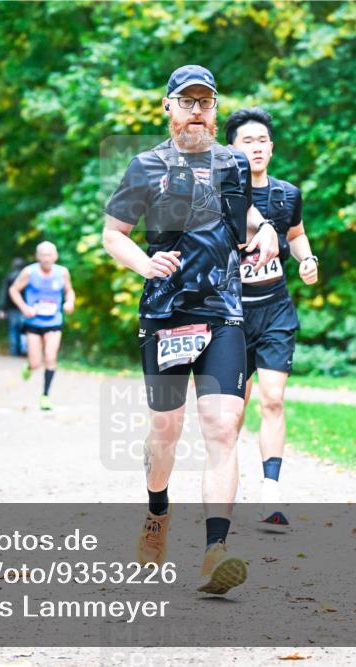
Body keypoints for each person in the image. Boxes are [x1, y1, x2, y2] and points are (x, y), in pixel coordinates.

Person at [102, 64, 279, 595]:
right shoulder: (146, 165)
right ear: (168, 107)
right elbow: (115, 235)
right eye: (187, 102)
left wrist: (266, 226)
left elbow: (242, 218)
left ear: (215, 109)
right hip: (165, 314)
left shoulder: (233, 164)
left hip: (224, 311)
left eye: (205, 102)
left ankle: (214, 552)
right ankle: (157, 512)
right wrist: (143, 264)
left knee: (223, 428)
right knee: (165, 432)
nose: (196, 111)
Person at [225, 107, 319, 532]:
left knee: (273, 399)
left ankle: (271, 491)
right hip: (230, 314)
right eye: (247, 141)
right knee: (232, 411)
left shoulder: (286, 194)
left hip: (276, 309)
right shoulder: (222, 194)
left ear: (272, 148)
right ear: (232, 148)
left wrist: (307, 258)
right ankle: (227, 483)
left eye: (262, 141)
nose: (256, 148)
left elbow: (296, 236)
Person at [8, 242, 75, 411]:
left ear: (55, 256)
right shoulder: (29, 272)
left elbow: (69, 290)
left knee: (51, 357)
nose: (47, 258)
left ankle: (45, 396)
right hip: (34, 323)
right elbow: (13, 290)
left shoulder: (62, 272)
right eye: (43, 255)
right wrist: (25, 308)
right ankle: (30, 367)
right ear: (38, 257)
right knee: (36, 363)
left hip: (54, 322)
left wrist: (70, 302)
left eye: (50, 254)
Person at [0, 257, 28, 356]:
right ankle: (24, 349)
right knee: (24, 329)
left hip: (12, 308)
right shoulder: (27, 277)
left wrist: (2, 308)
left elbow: (3, 294)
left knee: (13, 330)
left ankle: (14, 351)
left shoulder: (9, 277)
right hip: (25, 308)